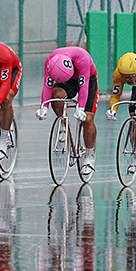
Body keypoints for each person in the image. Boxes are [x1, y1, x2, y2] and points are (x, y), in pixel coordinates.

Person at [35, 46, 99, 176]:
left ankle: (89, 156)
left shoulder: (83, 59)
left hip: (88, 79)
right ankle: (63, 125)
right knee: (56, 94)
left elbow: (84, 87)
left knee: (87, 118)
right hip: (66, 79)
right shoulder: (50, 62)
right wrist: (44, 107)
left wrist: (80, 108)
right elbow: (47, 86)